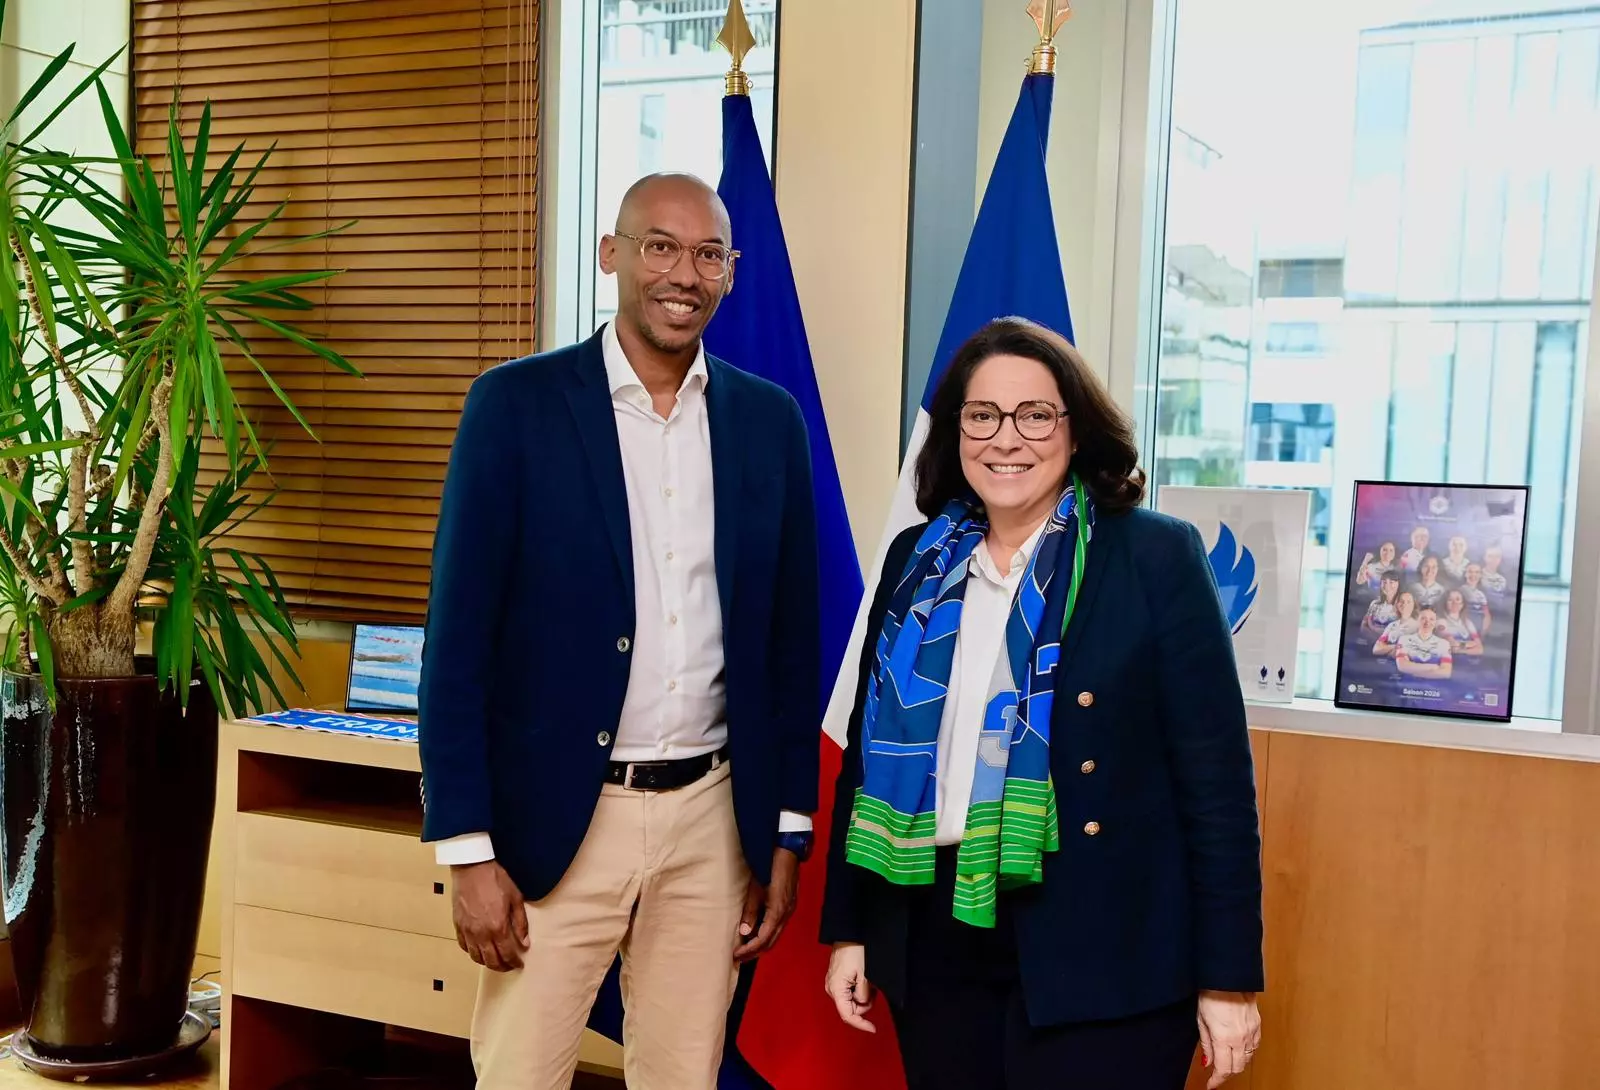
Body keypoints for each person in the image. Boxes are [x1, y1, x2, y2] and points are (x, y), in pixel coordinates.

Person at [418, 173, 821, 1090]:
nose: (685, 272)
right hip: (557, 823)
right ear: (612, 255)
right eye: (661, 246)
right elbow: (458, 644)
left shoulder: (769, 423)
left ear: (730, 272)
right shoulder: (514, 408)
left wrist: (785, 832)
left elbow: (792, 647)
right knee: (521, 1073)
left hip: (713, 821)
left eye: (708, 253)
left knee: (683, 1075)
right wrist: (468, 851)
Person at [819, 318, 1263, 1090]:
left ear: (1075, 428)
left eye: (1035, 415)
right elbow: (866, 754)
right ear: (956, 431)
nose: (1006, 440)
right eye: (982, 416)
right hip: (933, 935)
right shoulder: (916, 561)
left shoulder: (1153, 556)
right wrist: (852, 929)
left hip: (1102, 947)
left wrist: (1228, 982)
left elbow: (1217, 789)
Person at [1394, 608, 1454, 679]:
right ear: (1417, 620)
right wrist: (1433, 667)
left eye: (1431, 619)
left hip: (1434, 687)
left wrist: (1416, 673)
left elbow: (1446, 673)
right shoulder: (1404, 639)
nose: (1427, 622)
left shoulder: (1444, 644)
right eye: (1423, 618)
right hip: (1407, 686)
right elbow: (1402, 666)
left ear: (1435, 623)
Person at [1372, 592, 1420, 658]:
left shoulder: (1417, 627)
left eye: (1408, 602)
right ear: (1397, 604)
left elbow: (1411, 653)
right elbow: (1376, 649)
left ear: (1414, 605)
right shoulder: (1391, 625)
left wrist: (1385, 649)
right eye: (1401, 601)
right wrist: (1395, 646)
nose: (1404, 604)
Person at [1437, 590, 1483, 656]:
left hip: (1468, 663)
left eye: (1457, 599)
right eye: (1450, 600)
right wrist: (1471, 644)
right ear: (1445, 603)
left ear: (1462, 604)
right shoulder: (1441, 621)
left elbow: (1480, 649)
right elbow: (1452, 645)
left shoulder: (1468, 623)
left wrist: (1461, 650)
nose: (1454, 602)